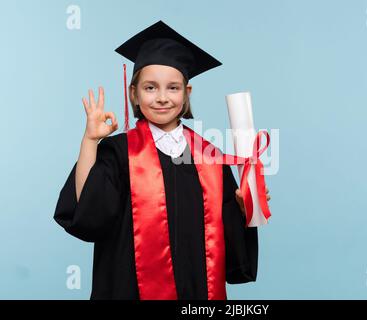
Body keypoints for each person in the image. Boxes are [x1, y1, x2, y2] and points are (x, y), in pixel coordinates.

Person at [54, 20, 271, 300]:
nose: (162, 98)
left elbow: (228, 241)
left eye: (173, 88)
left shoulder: (210, 156)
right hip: (128, 288)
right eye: (150, 88)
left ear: (187, 93)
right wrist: (90, 141)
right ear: (134, 93)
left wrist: (245, 209)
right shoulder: (119, 151)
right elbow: (89, 212)